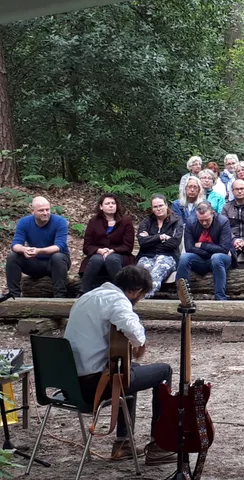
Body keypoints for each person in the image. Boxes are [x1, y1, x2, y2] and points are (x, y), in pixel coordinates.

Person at [64, 266, 175, 464]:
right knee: (164, 371)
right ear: (135, 291)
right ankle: (160, 447)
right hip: (91, 387)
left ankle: (123, 443)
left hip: (70, 383)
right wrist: (139, 344)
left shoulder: (90, 296)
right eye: (141, 295)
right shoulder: (116, 300)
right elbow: (136, 334)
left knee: (129, 372)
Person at [3, 196, 70, 299]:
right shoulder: (24, 222)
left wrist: (39, 251)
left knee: (58, 257)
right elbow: (15, 245)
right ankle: (14, 295)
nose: (45, 213)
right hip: (35, 262)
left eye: (47, 209)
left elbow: (59, 246)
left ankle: (60, 296)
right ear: (32, 211)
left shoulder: (60, 221)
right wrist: (24, 249)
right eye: (41, 210)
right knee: (13, 257)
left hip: (56, 263)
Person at [80, 194, 136, 294]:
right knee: (96, 259)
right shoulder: (93, 221)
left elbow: (128, 246)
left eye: (113, 203)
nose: (111, 205)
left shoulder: (125, 221)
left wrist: (113, 251)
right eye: (107, 203)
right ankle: (84, 292)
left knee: (112, 259)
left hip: (121, 254)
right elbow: (87, 246)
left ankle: (122, 292)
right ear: (101, 207)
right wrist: (99, 250)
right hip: (98, 253)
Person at [176, 202, 233, 300]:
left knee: (217, 257)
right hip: (201, 259)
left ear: (213, 214)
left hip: (221, 260)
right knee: (184, 257)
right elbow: (189, 248)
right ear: (196, 216)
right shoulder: (191, 222)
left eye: (207, 220)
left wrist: (202, 245)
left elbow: (224, 249)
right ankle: (182, 296)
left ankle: (220, 297)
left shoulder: (223, 222)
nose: (204, 223)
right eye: (201, 220)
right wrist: (210, 252)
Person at [136, 195, 183, 299]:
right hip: (146, 255)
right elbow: (142, 242)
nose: (158, 209)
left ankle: (142, 301)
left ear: (166, 205)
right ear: (152, 208)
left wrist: (150, 239)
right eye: (155, 206)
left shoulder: (176, 221)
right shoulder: (146, 222)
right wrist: (160, 237)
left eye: (161, 205)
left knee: (155, 275)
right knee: (139, 276)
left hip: (168, 256)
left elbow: (174, 243)